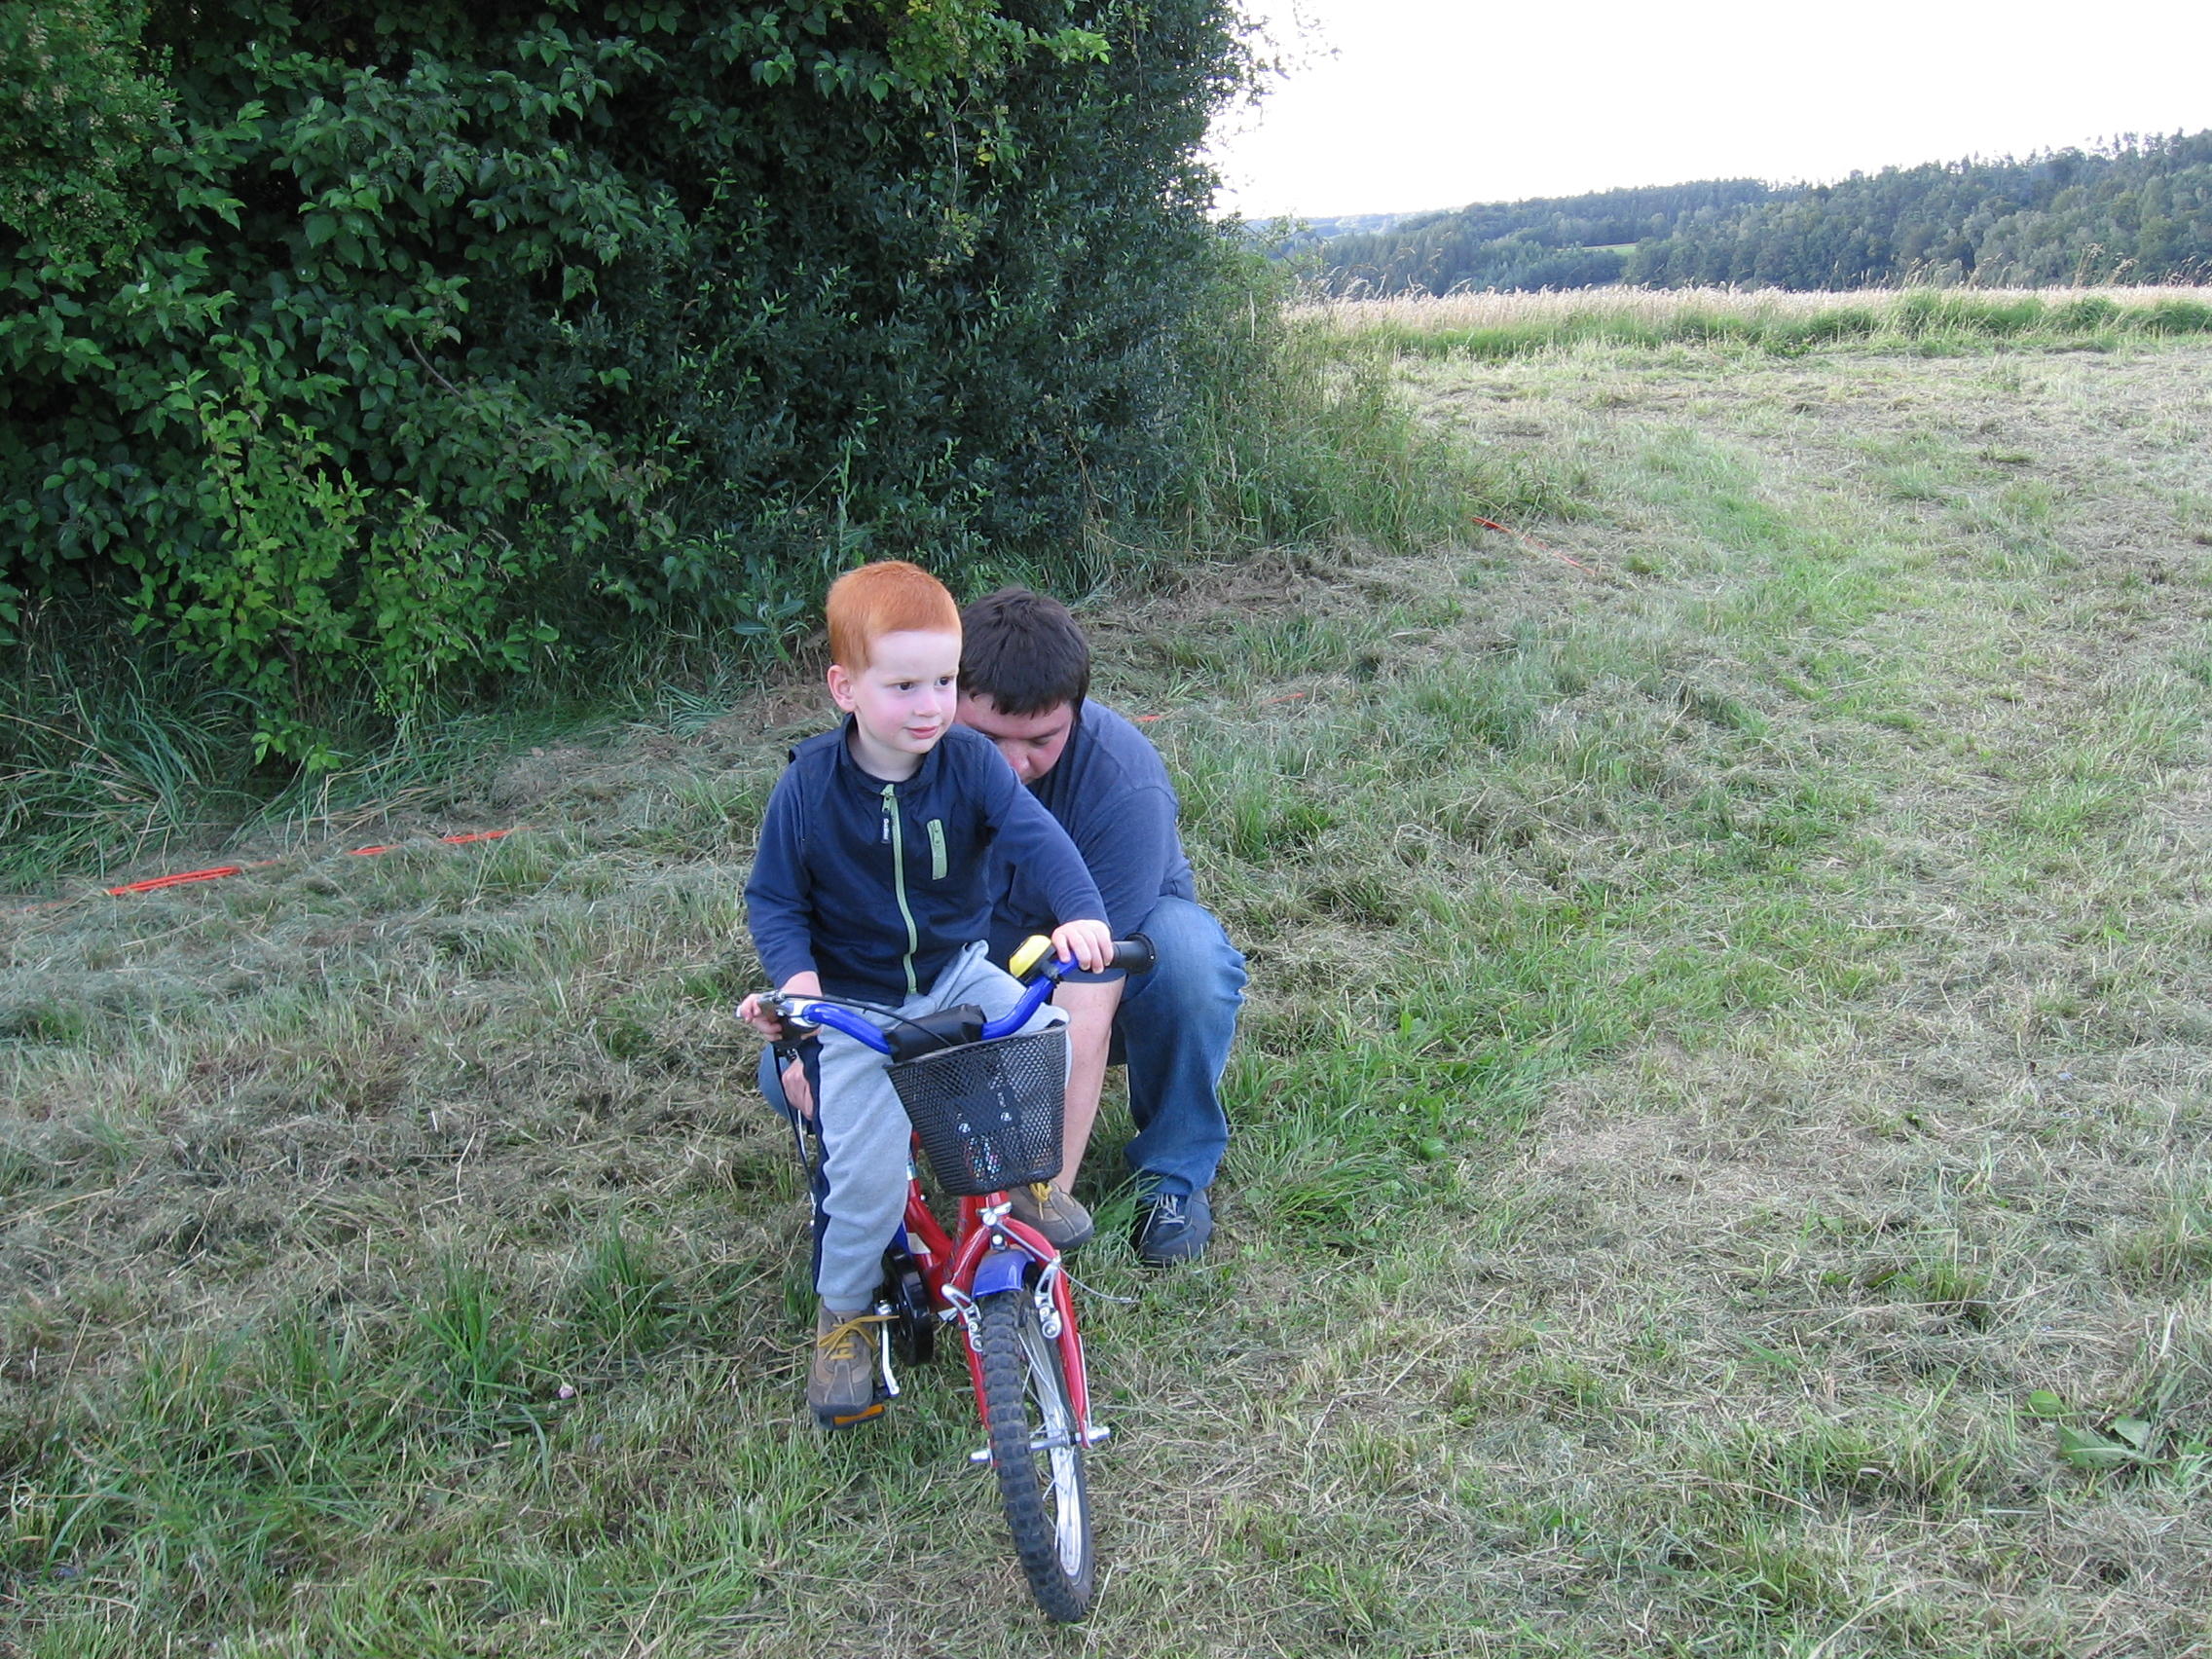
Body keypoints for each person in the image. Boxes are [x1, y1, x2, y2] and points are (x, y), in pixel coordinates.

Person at [737, 561, 1112, 1430]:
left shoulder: (971, 763)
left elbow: (1037, 839)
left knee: (1044, 1029)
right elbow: (775, 900)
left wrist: (1081, 914)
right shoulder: (809, 789)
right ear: (845, 688)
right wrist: (800, 986)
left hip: (952, 970)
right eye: (903, 685)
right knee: (864, 1179)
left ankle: (1029, 1184)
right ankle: (843, 1318)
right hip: (858, 1003)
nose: (930, 705)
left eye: (943, 682)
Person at [956, 587, 1247, 1265]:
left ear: (1076, 713)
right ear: (947, 701)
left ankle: (1173, 1175)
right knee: (789, 1066)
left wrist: (1041, 1204)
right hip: (972, 970)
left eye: (1041, 741)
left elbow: (1086, 1006)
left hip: (1099, 984)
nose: (1011, 766)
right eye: (986, 738)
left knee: (1189, 960)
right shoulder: (903, 761)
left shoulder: (1123, 783)